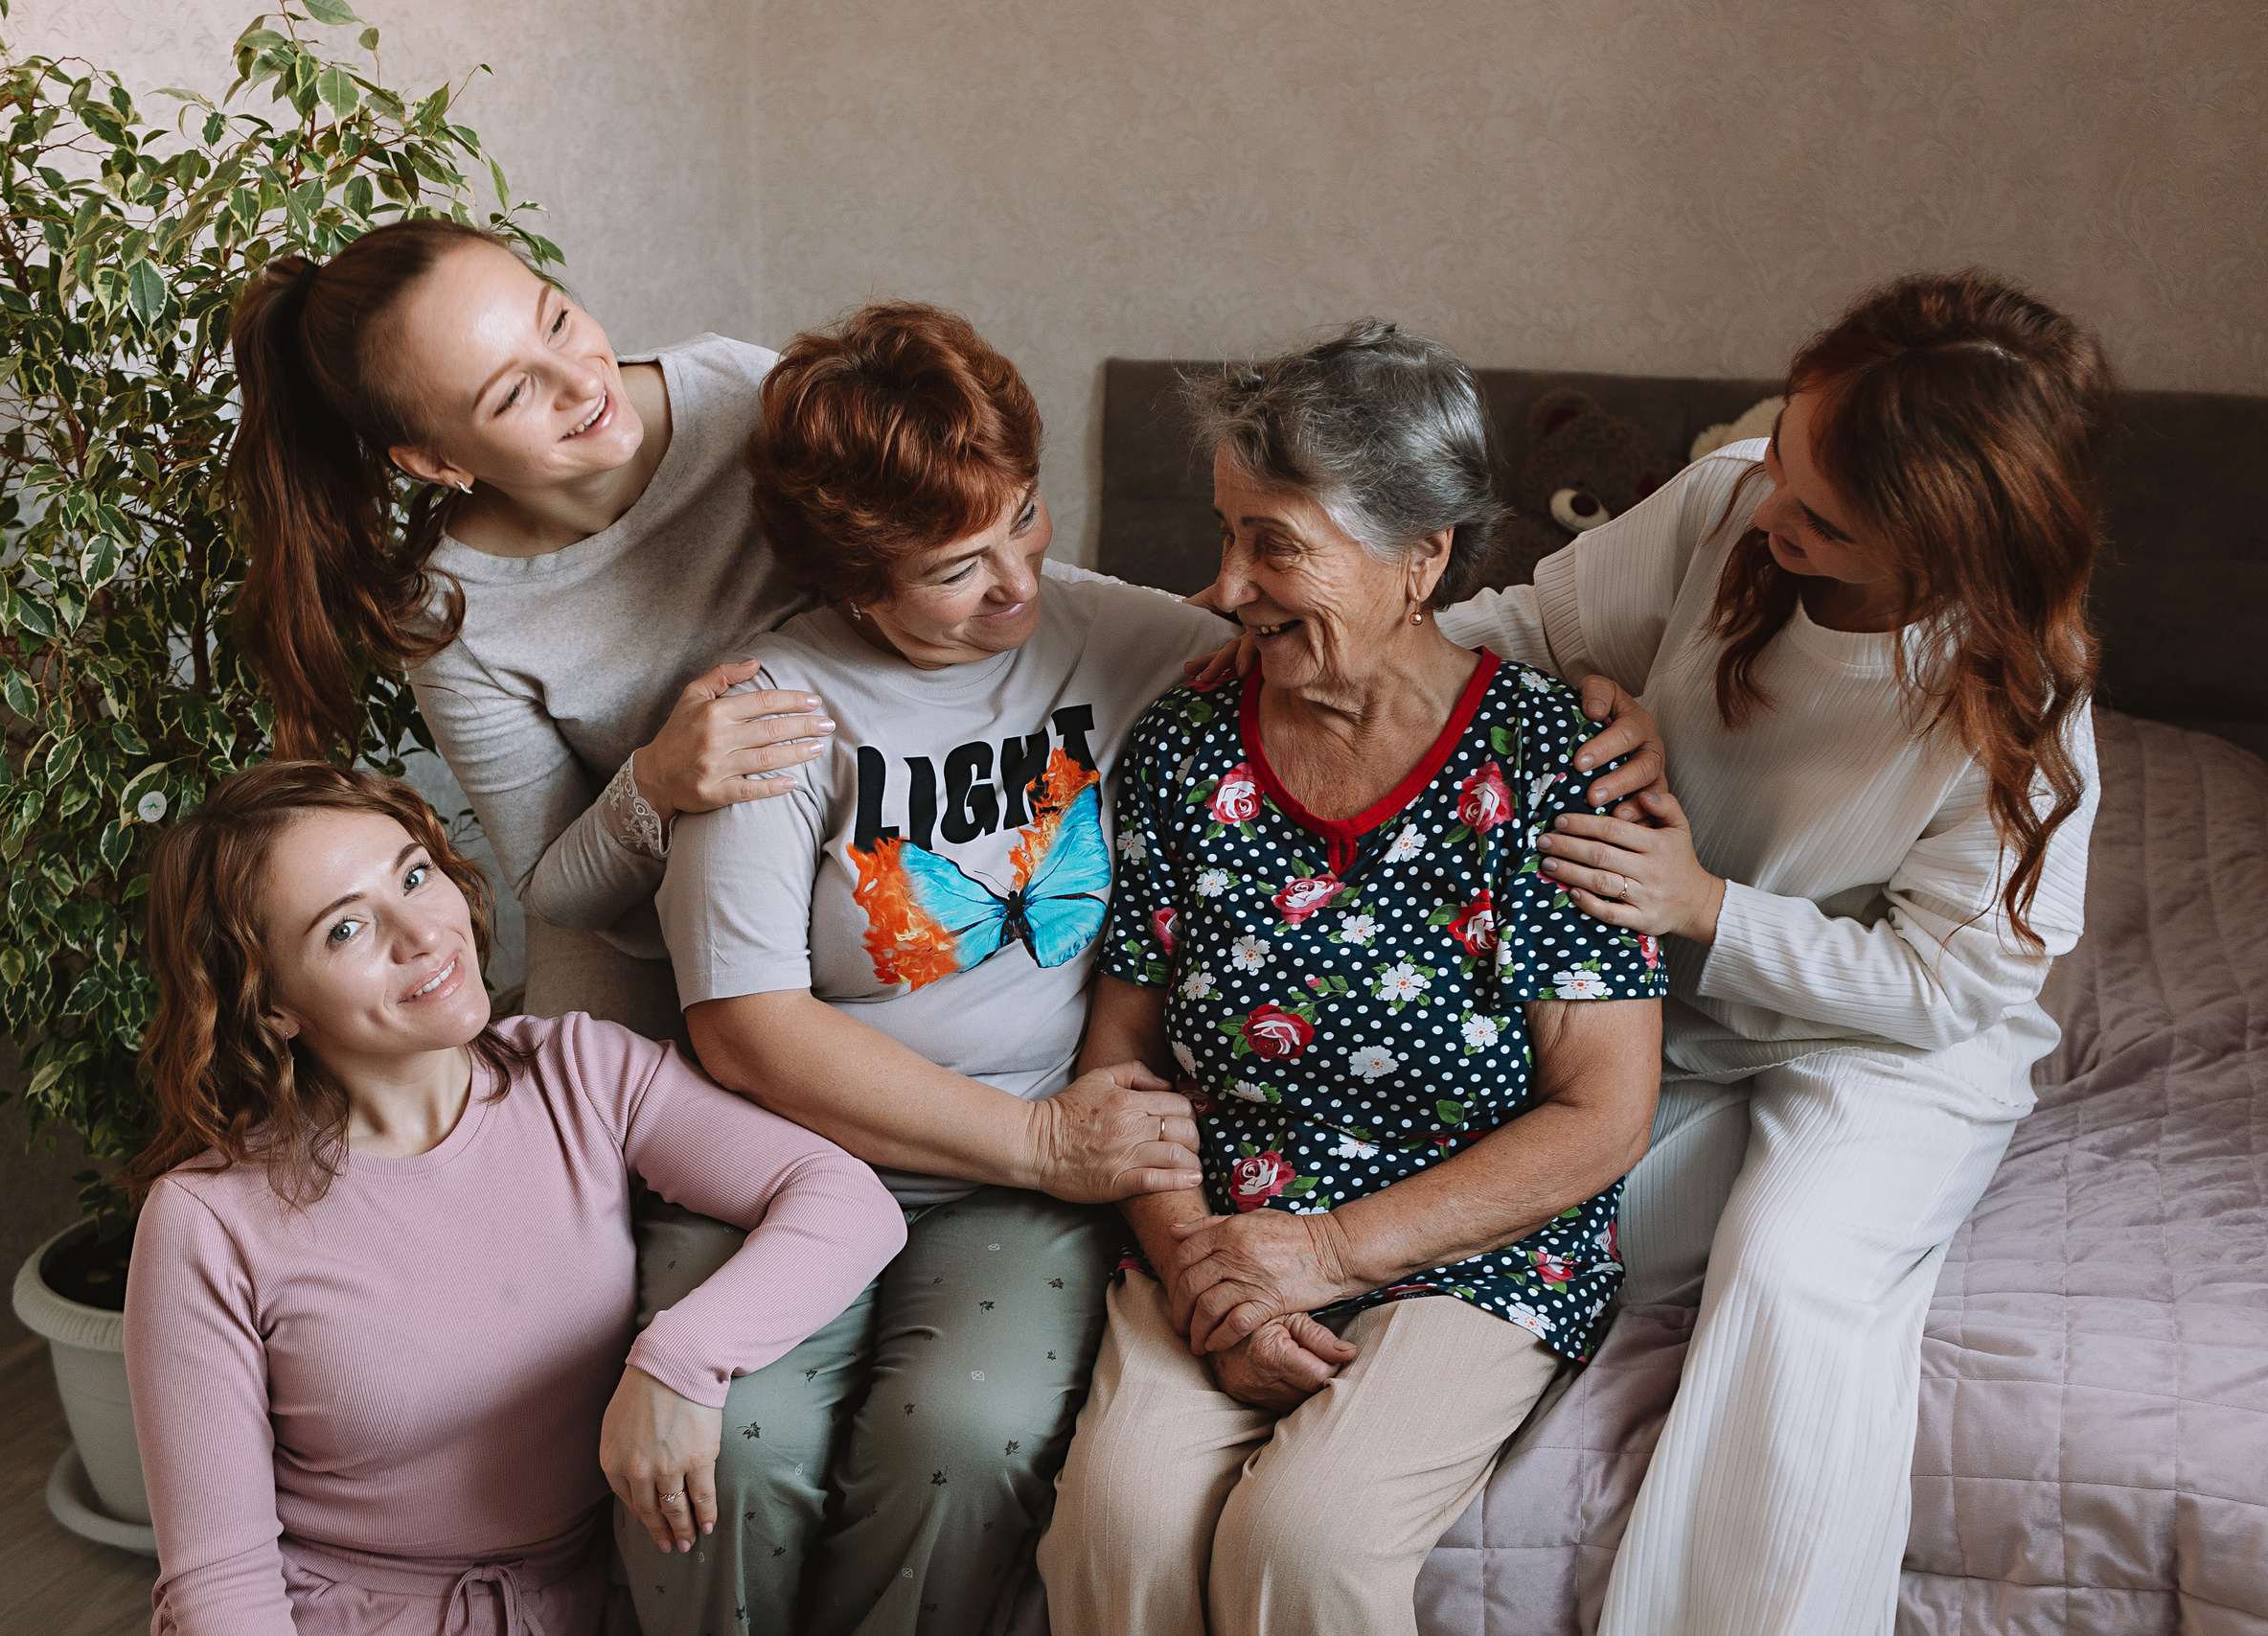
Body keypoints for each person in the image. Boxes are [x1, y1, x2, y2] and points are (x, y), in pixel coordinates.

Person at [1437, 269, 2109, 1636]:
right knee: (1517, 1209)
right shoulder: (1727, 500)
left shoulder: (2014, 706)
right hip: (1672, 1002)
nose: (1771, 510)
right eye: (1784, 455)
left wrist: (1704, 907)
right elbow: (1526, 632)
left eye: (1825, 517)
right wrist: (1367, 656)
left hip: (1893, 1038)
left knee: (1790, 1270)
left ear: (1945, 543)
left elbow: (1944, 983)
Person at [1033, 320, 1667, 1636]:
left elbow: (1605, 1111)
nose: (1225, 587)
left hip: (1469, 1248)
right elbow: (1119, 1060)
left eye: (1274, 545)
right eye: (1226, 534)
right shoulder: (1186, 743)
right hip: (1218, 1228)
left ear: (1422, 555)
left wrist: (1323, 1253)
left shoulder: (1553, 759)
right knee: (1114, 1524)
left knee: (1304, 1537)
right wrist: (1204, 1271)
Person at [643, 302, 1239, 1636]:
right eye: (956, 567)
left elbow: (1375, 651)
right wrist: (1045, 1141)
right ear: (856, 583)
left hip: (1006, 1201)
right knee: (734, 1445)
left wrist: (1581, 698)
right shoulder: (774, 705)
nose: (1017, 581)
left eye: (1023, 517)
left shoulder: (1121, 637)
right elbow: (744, 1027)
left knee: (962, 1439)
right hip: (783, 1166)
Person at [123, 763, 905, 1634]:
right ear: (271, 1005)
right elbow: (222, 1590)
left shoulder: (580, 1073)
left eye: (413, 876)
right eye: (346, 928)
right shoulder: (204, 1222)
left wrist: (681, 1358)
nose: (423, 934)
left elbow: (846, 1200)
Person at [227, 219, 834, 1039]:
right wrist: (657, 781)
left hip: (866, 797)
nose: (581, 382)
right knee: (584, 1100)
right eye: (512, 394)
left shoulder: (742, 391)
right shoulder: (455, 617)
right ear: (437, 462)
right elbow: (554, 882)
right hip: (647, 916)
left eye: (557, 321)